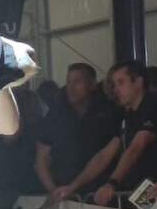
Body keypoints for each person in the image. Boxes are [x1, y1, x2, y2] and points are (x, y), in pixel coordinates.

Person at [51, 61, 157, 207]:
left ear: (138, 82)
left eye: (121, 83)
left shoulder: (154, 105)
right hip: (141, 191)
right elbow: (105, 154)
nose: (116, 89)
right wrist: (72, 187)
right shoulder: (126, 115)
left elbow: (136, 148)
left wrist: (112, 183)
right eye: (114, 84)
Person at [34, 63, 119, 196]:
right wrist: (53, 190)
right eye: (68, 82)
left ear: (92, 84)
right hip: (63, 192)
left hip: (99, 194)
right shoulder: (55, 114)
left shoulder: (108, 112)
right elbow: (41, 159)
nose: (71, 87)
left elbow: (106, 154)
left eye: (77, 81)